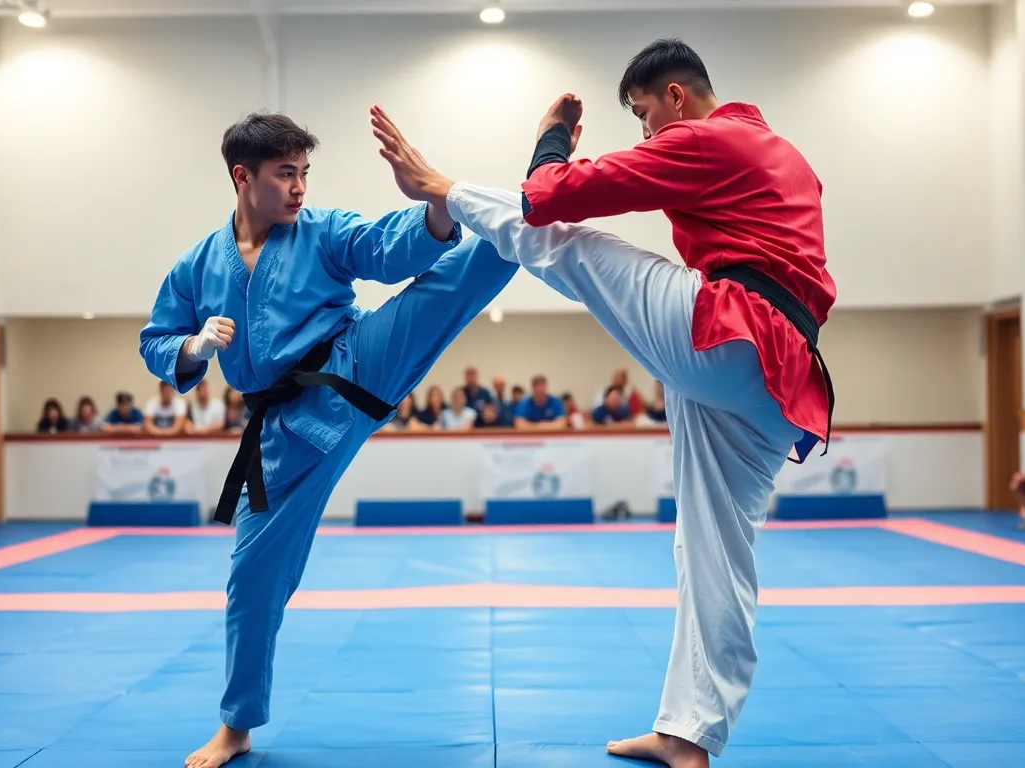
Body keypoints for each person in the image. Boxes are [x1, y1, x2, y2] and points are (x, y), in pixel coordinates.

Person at [370, 37, 833, 768]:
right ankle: (690, 734)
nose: (647, 133)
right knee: (713, 549)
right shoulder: (782, 153)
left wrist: (539, 143)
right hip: (784, 378)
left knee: (566, 244)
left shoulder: (706, 139)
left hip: (732, 332)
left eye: (645, 114)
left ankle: (440, 187)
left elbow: (545, 198)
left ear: (675, 97)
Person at [137, 111, 516, 768]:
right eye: (286, 174)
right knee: (251, 578)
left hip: (353, 364)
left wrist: (432, 205)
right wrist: (192, 347)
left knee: (460, 274)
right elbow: (156, 341)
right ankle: (237, 724)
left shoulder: (321, 232)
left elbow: (387, 247)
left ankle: (540, 189)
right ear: (242, 176)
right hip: (283, 433)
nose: (299, 187)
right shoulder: (198, 265)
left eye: (304, 172)